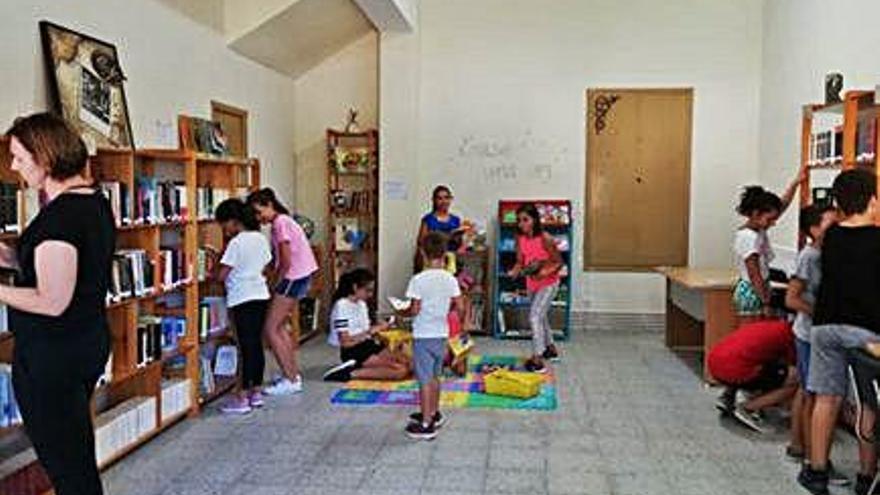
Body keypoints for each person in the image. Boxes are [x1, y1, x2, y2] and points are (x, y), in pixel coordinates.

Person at [1, 113, 115, 494]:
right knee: (75, 455)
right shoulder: (92, 203)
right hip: (83, 343)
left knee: (70, 470)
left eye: (19, 157)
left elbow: (52, 300)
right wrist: (13, 259)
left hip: (53, 357)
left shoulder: (59, 219)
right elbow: (66, 271)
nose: (13, 167)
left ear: (45, 158)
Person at [799, 168, 880, 495]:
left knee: (826, 398)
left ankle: (816, 471)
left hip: (824, 326)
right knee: (867, 406)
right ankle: (865, 476)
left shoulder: (830, 237)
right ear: (872, 199)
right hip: (865, 331)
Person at [247, 188, 318, 396]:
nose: (259, 219)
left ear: (269, 204)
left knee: (270, 329)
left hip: (292, 276)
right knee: (280, 328)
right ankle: (292, 374)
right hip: (300, 275)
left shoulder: (280, 224)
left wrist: (275, 283)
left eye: (260, 212)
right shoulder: (285, 221)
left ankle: (290, 378)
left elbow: (286, 260)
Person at [785, 205, 837, 464]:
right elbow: (792, 299)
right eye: (831, 222)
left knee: (806, 391)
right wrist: (822, 312)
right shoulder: (810, 257)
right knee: (811, 395)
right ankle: (810, 455)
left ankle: (799, 445)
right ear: (814, 229)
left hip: (814, 334)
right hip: (808, 335)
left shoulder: (827, 254)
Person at [211, 198, 272, 414]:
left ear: (234, 221)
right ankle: (256, 392)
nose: (223, 229)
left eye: (223, 224)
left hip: (241, 298)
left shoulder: (236, 243)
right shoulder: (260, 238)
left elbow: (222, 274)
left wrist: (214, 265)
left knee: (244, 348)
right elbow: (265, 264)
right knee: (255, 345)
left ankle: (242, 397)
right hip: (260, 295)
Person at [400, 232, 461, 440]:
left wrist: (402, 312)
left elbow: (414, 309)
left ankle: (426, 425)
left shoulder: (418, 280)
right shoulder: (450, 279)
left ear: (422, 253)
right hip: (441, 334)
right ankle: (434, 413)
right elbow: (459, 305)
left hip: (423, 335)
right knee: (435, 376)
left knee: (424, 380)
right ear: (444, 253)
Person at [732, 171, 802, 323]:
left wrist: (795, 184)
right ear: (756, 214)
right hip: (752, 292)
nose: (773, 223)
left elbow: (782, 206)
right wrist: (765, 302)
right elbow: (754, 273)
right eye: (770, 219)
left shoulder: (758, 230)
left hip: (760, 288)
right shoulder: (748, 238)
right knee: (752, 338)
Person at [708, 319, 798, 433]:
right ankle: (747, 408)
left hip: (715, 363)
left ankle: (728, 396)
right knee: (796, 379)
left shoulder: (773, 325)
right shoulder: (791, 337)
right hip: (734, 370)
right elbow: (795, 365)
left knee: (751, 357)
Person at [322, 269, 410, 382]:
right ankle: (350, 373)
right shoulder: (341, 306)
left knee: (408, 363)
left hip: (368, 345)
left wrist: (384, 330)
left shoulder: (362, 304)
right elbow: (345, 342)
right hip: (353, 351)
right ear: (355, 287)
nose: (370, 294)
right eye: (367, 290)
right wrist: (370, 332)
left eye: (372, 290)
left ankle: (360, 367)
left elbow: (367, 332)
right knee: (400, 370)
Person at [507, 203, 563, 372]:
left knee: (534, 316)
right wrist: (515, 271)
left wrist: (544, 272)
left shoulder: (545, 238)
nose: (521, 224)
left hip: (549, 283)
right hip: (532, 284)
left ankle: (537, 359)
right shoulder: (520, 238)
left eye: (525, 220)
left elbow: (559, 262)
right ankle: (551, 349)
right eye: (519, 220)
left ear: (535, 220)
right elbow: (519, 261)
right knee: (540, 316)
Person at [415, 185, 462, 273]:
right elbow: (421, 242)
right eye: (440, 198)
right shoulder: (428, 219)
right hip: (432, 262)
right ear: (434, 200)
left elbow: (459, 244)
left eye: (446, 198)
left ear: (450, 199)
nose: (444, 201)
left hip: (451, 261)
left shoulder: (456, 220)